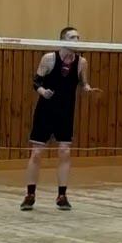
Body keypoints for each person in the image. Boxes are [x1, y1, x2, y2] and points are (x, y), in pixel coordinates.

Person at [21, 26, 99, 212]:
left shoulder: (81, 62)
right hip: (45, 110)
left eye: (78, 37)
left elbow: (83, 82)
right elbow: (36, 81)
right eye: (72, 37)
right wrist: (42, 92)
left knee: (65, 152)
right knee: (37, 153)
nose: (77, 40)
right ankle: (30, 195)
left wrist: (88, 89)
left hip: (66, 112)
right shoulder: (49, 58)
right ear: (62, 40)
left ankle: (62, 196)